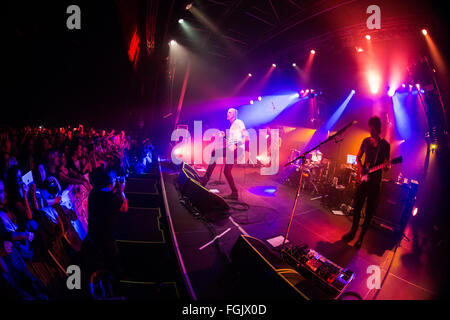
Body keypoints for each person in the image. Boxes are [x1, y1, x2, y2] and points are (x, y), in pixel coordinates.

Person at [342, 116, 391, 247]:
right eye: (370, 129)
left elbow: (386, 167)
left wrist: (386, 167)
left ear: (378, 129)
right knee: (357, 206)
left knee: (369, 212)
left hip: (375, 183)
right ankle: (352, 232)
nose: (371, 132)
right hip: (364, 180)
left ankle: (361, 238)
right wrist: (361, 169)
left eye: (373, 129)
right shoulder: (365, 141)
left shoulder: (385, 145)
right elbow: (358, 157)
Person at [84, 167, 128, 277]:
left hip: (92, 235)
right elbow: (124, 207)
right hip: (106, 239)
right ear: (110, 182)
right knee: (113, 265)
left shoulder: (93, 193)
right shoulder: (112, 198)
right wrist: (121, 191)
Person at [200, 108, 249, 200]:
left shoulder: (239, 122)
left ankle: (205, 179)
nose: (227, 113)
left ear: (234, 114)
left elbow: (247, 138)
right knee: (226, 171)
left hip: (237, 149)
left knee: (215, 153)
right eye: (227, 112)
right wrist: (224, 136)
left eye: (230, 112)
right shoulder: (232, 126)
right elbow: (232, 139)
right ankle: (235, 194)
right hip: (232, 149)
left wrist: (236, 145)